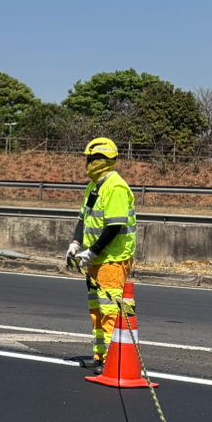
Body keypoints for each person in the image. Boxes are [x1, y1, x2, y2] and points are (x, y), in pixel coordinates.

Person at [64, 137, 137, 373]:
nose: (89, 163)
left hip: (112, 260)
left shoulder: (115, 186)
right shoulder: (94, 185)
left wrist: (93, 251)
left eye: (93, 158)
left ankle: (113, 361)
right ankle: (101, 356)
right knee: (96, 310)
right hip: (94, 259)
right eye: (88, 158)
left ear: (106, 160)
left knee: (110, 311)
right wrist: (76, 243)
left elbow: (114, 226)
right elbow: (83, 219)